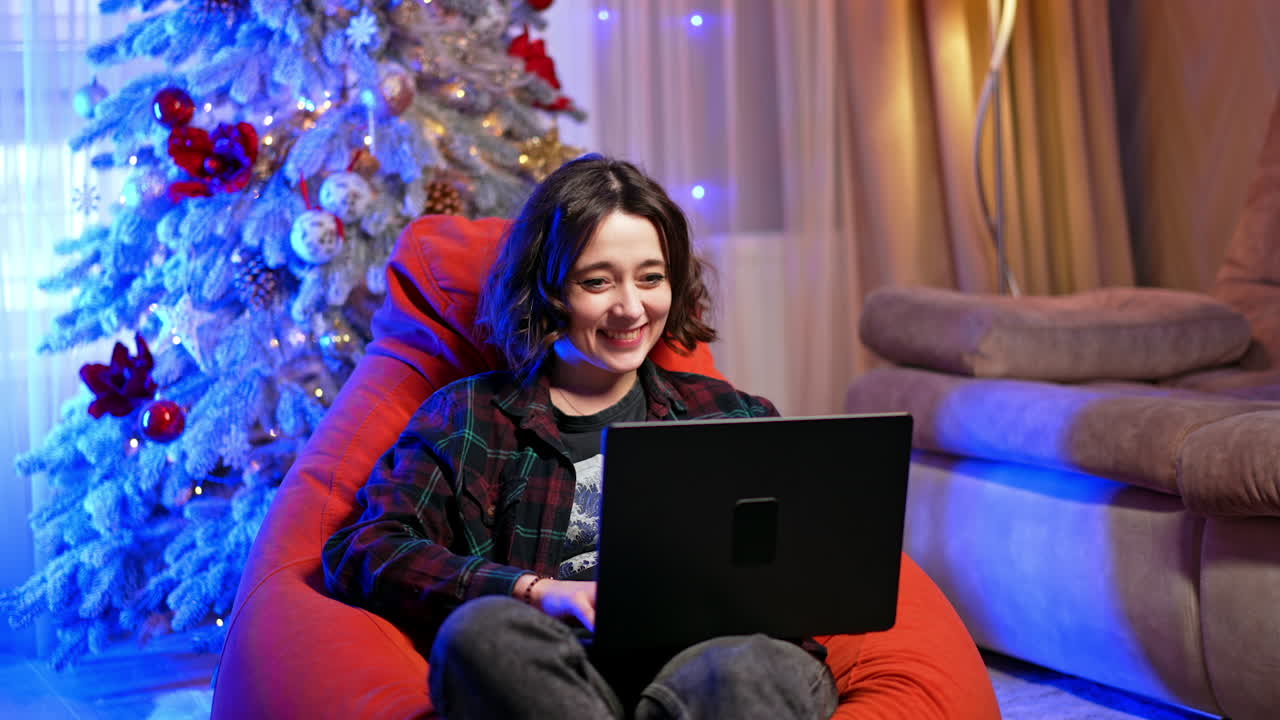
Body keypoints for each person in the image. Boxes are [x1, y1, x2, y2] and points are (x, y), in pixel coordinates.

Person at [322, 155, 838, 719]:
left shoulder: (733, 416)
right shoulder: (470, 414)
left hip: (713, 676)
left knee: (743, 667)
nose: (631, 307)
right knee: (483, 635)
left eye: (651, 277)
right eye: (597, 282)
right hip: (565, 679)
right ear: (545, 290)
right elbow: (365, 549)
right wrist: (532, 590)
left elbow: (800, 584)